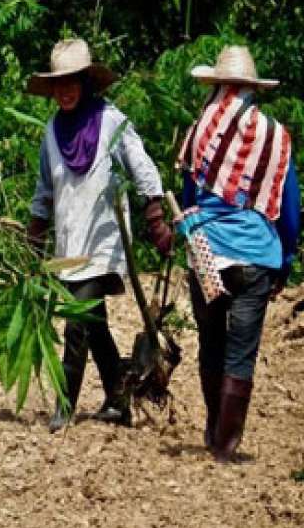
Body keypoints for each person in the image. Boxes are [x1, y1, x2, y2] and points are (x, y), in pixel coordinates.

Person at [26, 38, 172, 432]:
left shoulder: (109, 121)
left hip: (103, 242)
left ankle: (64, 405)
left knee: (76, 323)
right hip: (69, 245)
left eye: (72, 81)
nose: (65, 90)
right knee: (93, 324)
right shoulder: (51, 132)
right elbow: (45, 190)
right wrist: (34, 233)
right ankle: (118, 398)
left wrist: (155, 212)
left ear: (86, 82)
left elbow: (142, 165)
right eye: (59, 83)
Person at [174, 45, 298, 462]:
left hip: (207, 253)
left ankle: (212, 428)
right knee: (240, 351)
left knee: (211, 341)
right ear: (252, 90)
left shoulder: (200, 132)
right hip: (255, 256)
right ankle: (226, 446)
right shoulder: (274, 137)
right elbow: (289, 207)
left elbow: (189, 197)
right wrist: (285, 260)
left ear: (219, 86)